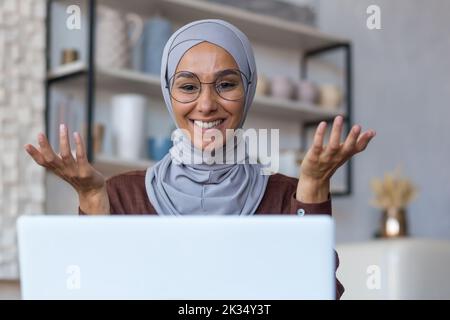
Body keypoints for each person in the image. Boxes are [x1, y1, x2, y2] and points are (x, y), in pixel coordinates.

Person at [25, 20, 376, 299]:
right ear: (168, 93)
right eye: (188, 86)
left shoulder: (290, 197)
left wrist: (313, 187)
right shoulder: (119, 194)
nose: (206, 104)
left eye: (226, 84)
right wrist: (91, 200)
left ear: (248, 90)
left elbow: (317, 295)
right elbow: (89, 290)